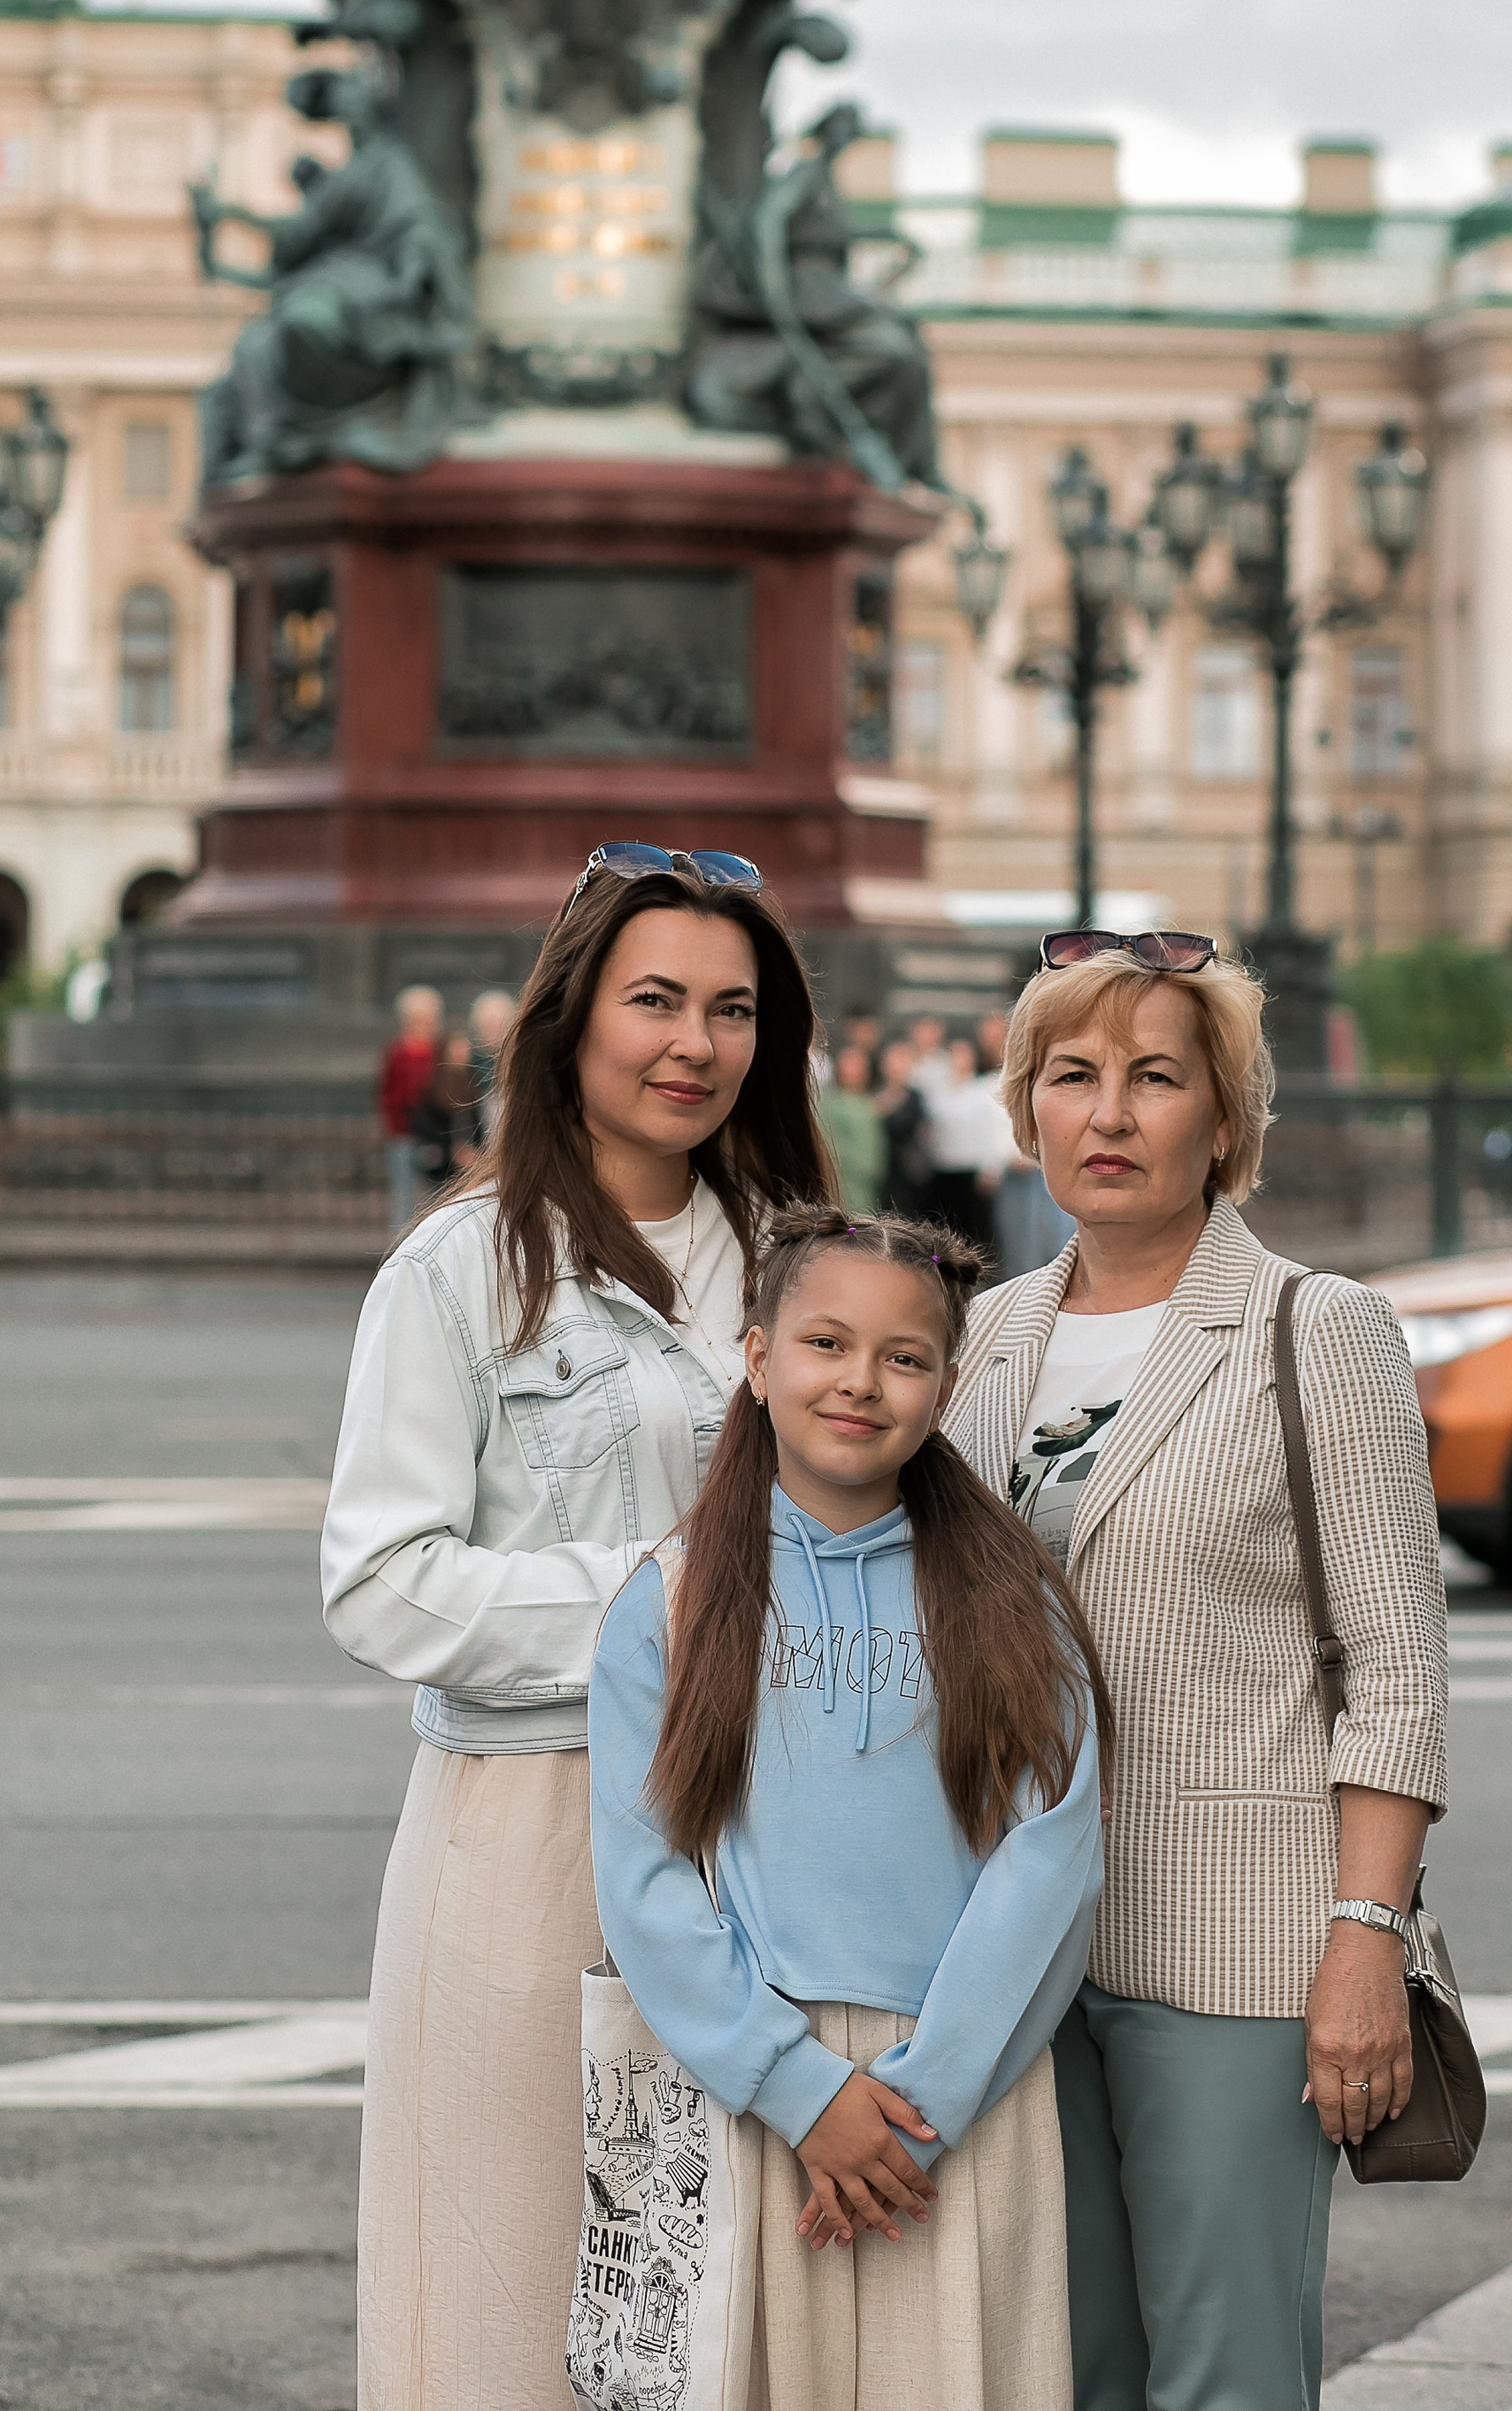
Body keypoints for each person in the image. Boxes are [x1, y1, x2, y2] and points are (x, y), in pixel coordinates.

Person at [322, 847, 833, 2411]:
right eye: (656, 1000)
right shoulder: (462, 1274)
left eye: (732, 1009)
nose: (694, 1043)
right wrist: (665, 1611)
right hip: (529, 1830)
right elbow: (378, 1578)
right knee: (505, 2299)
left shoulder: (803, 1261)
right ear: (572, 1023)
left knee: (742, 2311)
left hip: (779, 1832)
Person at [943, 933, 1449, 2411]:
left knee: (1225, 2374)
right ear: (1027, 1107)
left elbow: (1396, 1671)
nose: (1107, 1113)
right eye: (1072, 1076)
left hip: (1235, 1947)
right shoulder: (979, 1338)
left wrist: (1368, 1938)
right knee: (1070, 2369)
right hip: (1008, 1948)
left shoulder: (1318, 1330)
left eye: (1154, 1078)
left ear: (1222, 1121)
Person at [588, 1205, 1107, 2409]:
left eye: (904, 1357)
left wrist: (917, 2107)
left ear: (945, 1386)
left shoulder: (1011, 1602)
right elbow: (645, 1882)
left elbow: (1052, 1859)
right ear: (758, 1358)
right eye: (826, 1344)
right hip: (760, 2090)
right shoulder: (664, 1607)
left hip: (963, 2096)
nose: (860, 1382)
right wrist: (801, 2091)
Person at [979, 1005, 1074, 1276]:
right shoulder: (990, 1083)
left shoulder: (1042, 1077)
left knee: (1049, 1242)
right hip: (1010, 1175)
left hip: (1038, 1170)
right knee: (1016, 1244)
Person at [922, 1033, 1010, 1262]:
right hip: (943, 1169)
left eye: (964, 1054)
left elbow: (990, 1131)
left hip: (971, 1170)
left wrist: (991, 1167)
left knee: (972, 1231)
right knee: (943, 1229)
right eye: (955, 1054)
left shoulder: (982, 1091)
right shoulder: (937, 1094)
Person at [376, 985, 443, 1238]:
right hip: (403, 1135)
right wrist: (395, 1127)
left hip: (435, 1134)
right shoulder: (397, 1052)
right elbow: (387, 1092)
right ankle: (400, 1248)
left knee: (436, 1195)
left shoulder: (440, 1051)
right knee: (403, 1197)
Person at [408, 1028, 483, 1192]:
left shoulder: (472, 1083)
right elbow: (425, 1125)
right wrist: (453, 1150)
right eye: (457, 1048)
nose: (462, 1053)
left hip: (467, 1164)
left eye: (465, 1048)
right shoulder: (433, 1086)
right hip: (439, 1162)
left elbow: (476, 1124)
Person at [817, 1039, 887, 1212]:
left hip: (871, 1185)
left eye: (859, 1064)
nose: (855, 1069)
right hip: (843, 1183)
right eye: (849, 1063)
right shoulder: (829, 1103)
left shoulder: (868, 1102)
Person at [876, 1037, 933, 1217]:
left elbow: (918, 1128)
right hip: (881, 1167)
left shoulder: (915, 1096)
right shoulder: (875, 1094)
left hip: (909, 1171)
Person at [467, 984, 517, 1141]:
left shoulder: (516, 1059)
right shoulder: (469, 1061)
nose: (493, 1032)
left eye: (498, 1026)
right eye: (488, 1025)